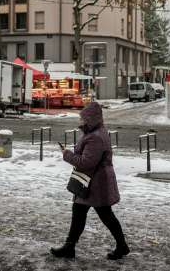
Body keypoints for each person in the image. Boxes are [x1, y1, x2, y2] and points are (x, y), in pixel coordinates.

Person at [51, 102, 130, 260]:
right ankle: (69, 247)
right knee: (79, 211)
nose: (80, 121)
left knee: (105, 215)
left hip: (96, 183)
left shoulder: (96, 137)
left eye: (83, 118)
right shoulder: (93, 132)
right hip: (92, 181)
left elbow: (86, 162)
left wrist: (67, 154)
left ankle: (121, 246)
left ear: (91, 119)